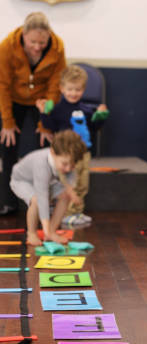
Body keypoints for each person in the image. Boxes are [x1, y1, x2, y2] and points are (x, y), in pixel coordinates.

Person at [0, 12, 66, 215]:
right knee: (7, 144)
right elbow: (2, 85)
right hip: (14, 98)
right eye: (33, 42)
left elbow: (56, 87)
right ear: (23, 34)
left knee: (47, 146)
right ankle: (7, 202)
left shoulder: (57, 48)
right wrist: (8, 123)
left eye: (42, 42)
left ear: (49, 37)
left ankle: (46, 201)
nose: (37, 47)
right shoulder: (7, 47)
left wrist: (46, 122)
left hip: (42, 100)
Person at [36, 65, 109, 226]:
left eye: (77, 89)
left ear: (83, 90)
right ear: (62, 88)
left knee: (83, 185)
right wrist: (43, 112)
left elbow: (94, 128)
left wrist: (101, 116)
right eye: (70, 89)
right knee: (68, 184)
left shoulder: (87, 110)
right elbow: (50, 125)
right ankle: (66, 214)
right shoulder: (58, 109)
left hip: (83, 153)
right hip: (66, 156)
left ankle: (76, 212)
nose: (73, 93)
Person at [10, 130, 86, 246]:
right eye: (65, 164)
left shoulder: (67, 162)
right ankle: (32, 234)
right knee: (35, 200)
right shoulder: (42, 164)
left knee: (66, 195)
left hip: (43, 182)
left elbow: (69, 181)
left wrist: (72, 193)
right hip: (21, 181)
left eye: (72, 165)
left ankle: (51, 232)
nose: (68, 168)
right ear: (53, 153)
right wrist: (45, 227)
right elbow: (42, 198)